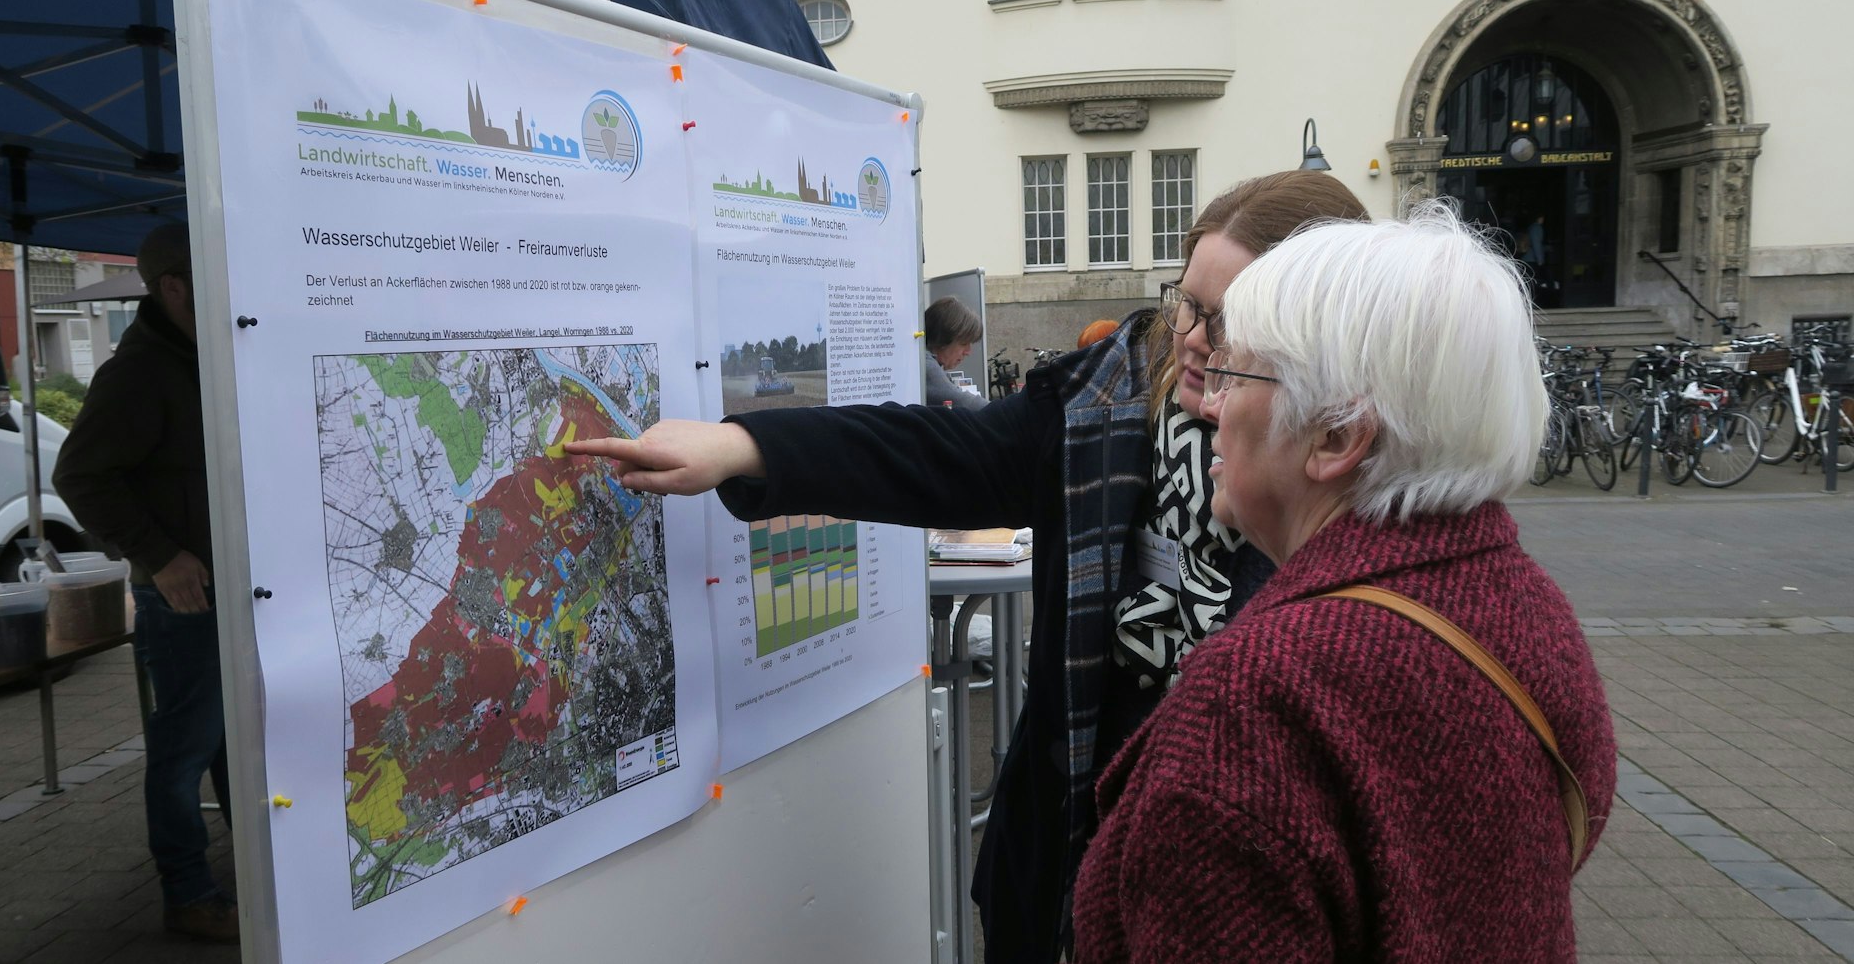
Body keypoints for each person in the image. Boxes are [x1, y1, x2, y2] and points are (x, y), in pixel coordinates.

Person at [571, 170, 1368, 962]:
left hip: (1231, 901)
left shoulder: (1355, 485)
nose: (1194, 338)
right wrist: (746, 446)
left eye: (1228, 322)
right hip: (1062, 859)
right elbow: (935, 452)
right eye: (1189, 304)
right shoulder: (1103, 401)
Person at [1072, 203, 1616, 962]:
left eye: (1234, 372)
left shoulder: (1258, 700)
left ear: (1335, 436)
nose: (1212, 405)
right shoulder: (1528, 605)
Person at [53, 223, 236, 943]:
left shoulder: (208, 355)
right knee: (184, 748)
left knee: (233, 741)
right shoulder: (139, 371)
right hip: (182, 597)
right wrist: (161, 557)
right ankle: (188, 893)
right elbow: (79, 476)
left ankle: (249, 869)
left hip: (236, 589)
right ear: (173, 288)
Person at [923, 295, 989, 411]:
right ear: (942, 339)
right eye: (963, 343)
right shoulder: (925, 366)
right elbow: (963, 401)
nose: (968, 352)